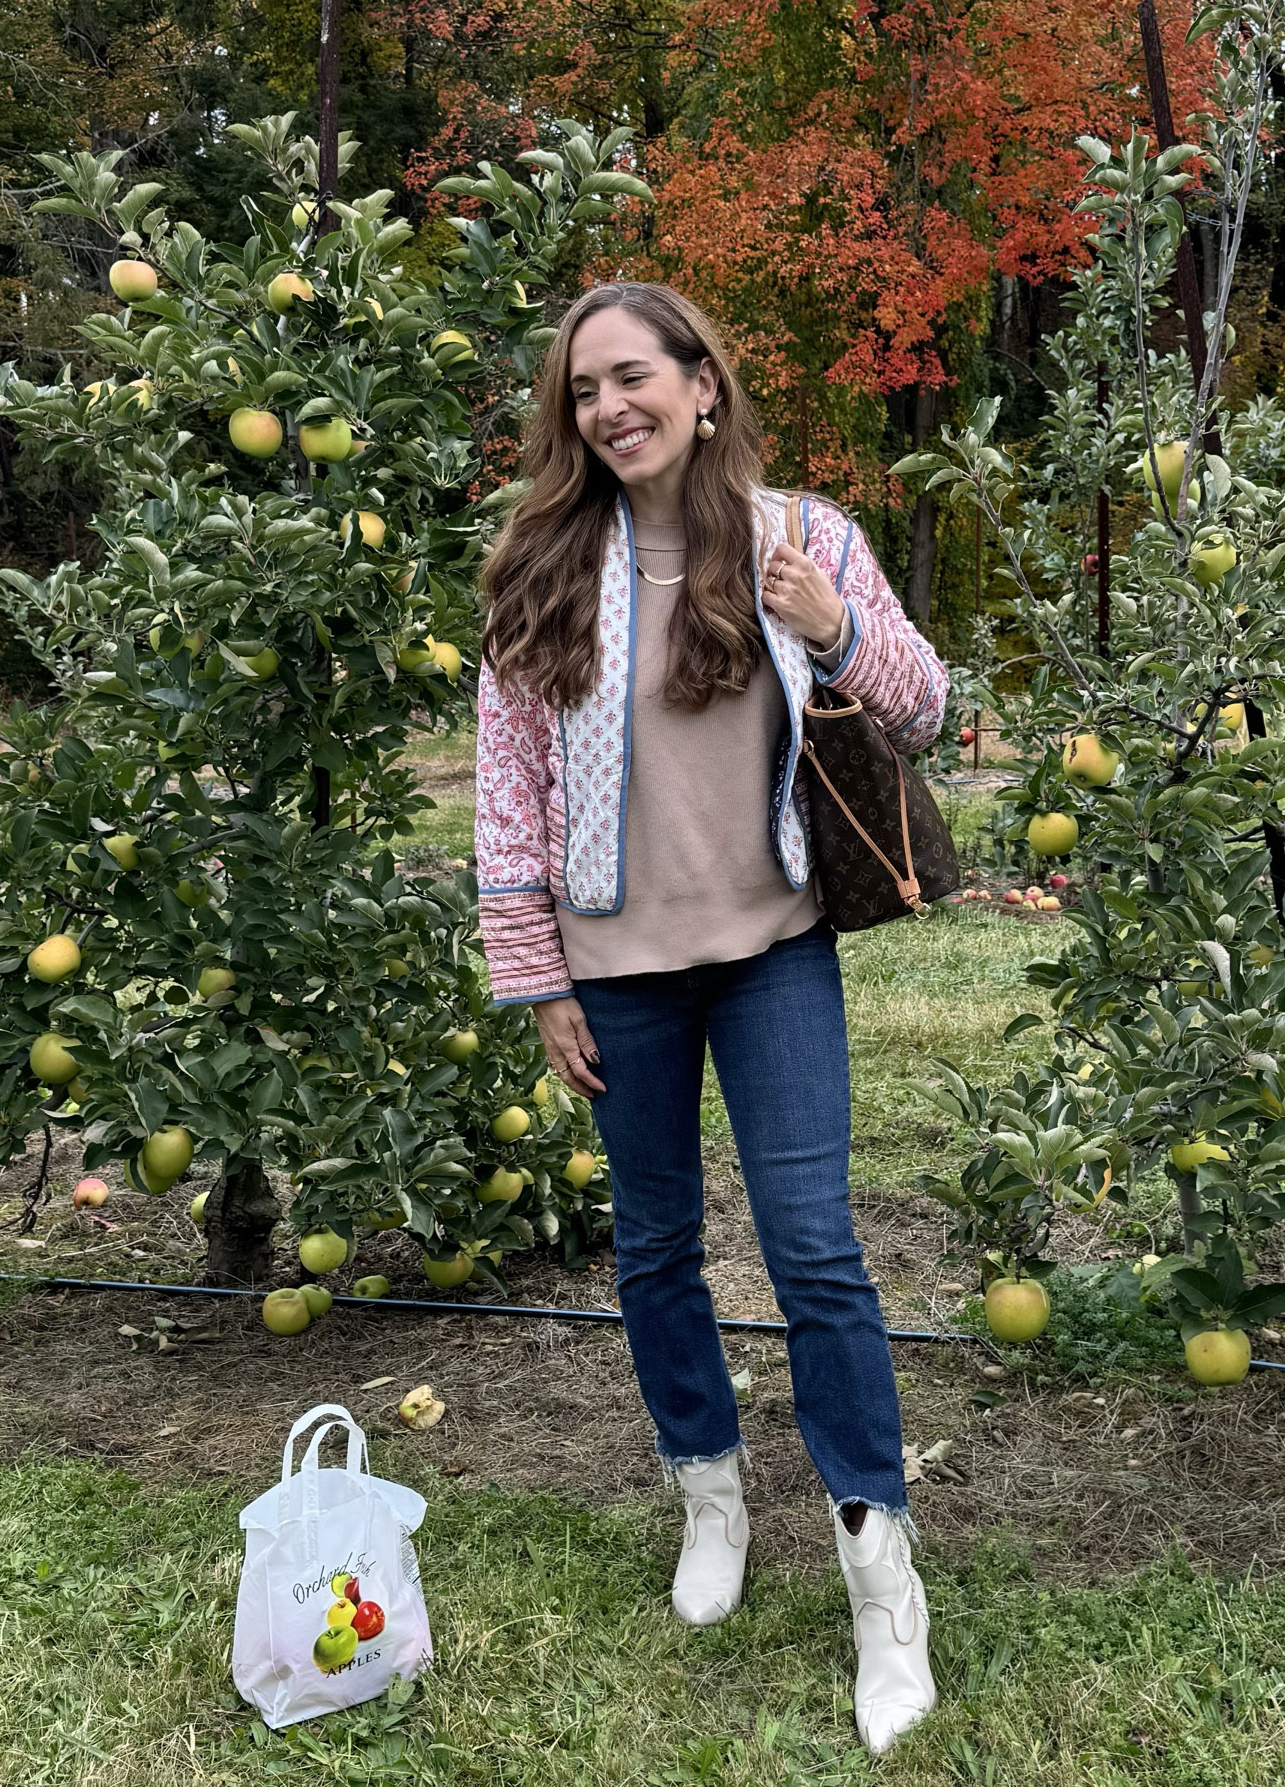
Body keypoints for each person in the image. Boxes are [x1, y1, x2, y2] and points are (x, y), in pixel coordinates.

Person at [474, 280, 948, 1752]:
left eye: (629, 377)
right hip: (616, 971)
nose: (605, 408)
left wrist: (834, 630)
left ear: (698, 381)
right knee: (657, 1247)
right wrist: (536, 975)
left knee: (816, 1251)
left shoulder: (810, 539)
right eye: (580, 392)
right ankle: (710, 1496)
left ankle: (882, 1580)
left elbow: (926, 709)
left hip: (773, 950)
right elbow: (507, 798)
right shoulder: (540, 566)